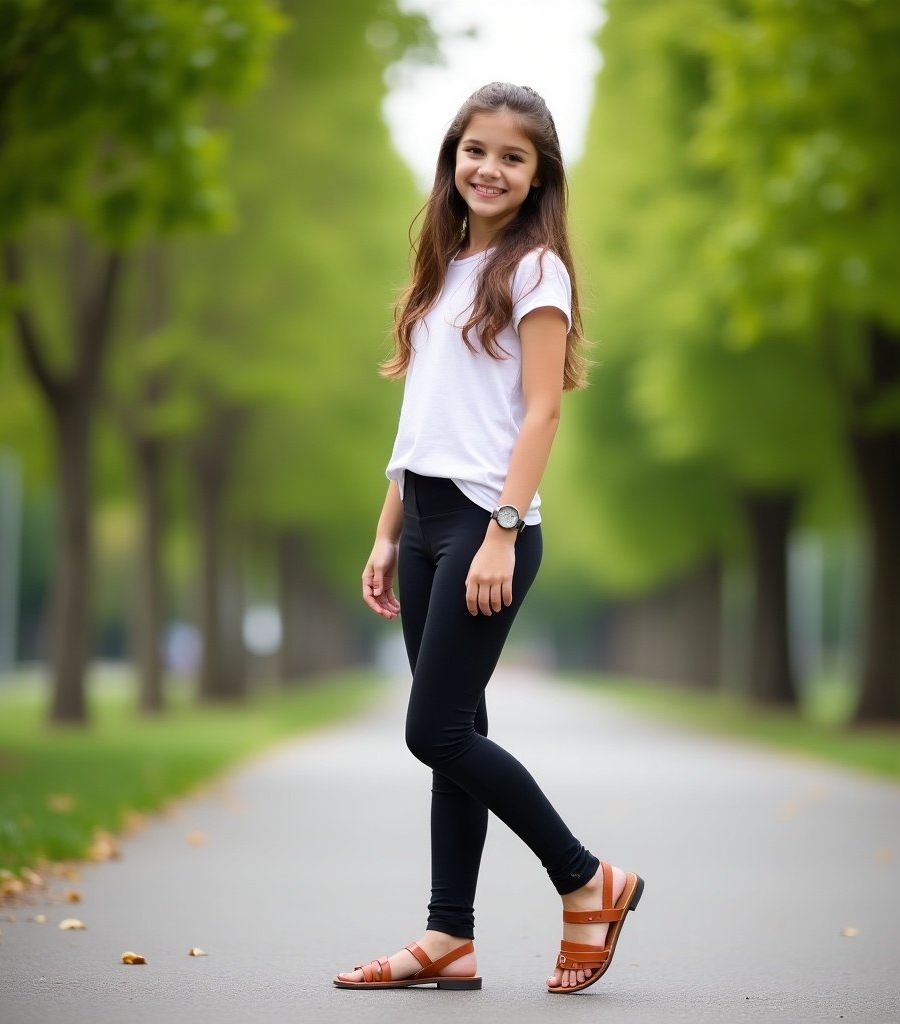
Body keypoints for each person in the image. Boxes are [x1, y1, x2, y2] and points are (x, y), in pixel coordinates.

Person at [334, 82, 642, 995]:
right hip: (424, 518)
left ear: (539, 173)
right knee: (459, 730)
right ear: (452, 156)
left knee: (433, 730)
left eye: (513, 156)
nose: (490, 168)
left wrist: (502, 532)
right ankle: (449, 937)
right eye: (476, 149)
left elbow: (542, 410)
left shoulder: (536, 267)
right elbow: (420, 419)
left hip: (482, 522)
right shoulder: (440, 268)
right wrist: (388, 531)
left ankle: (587, 878)